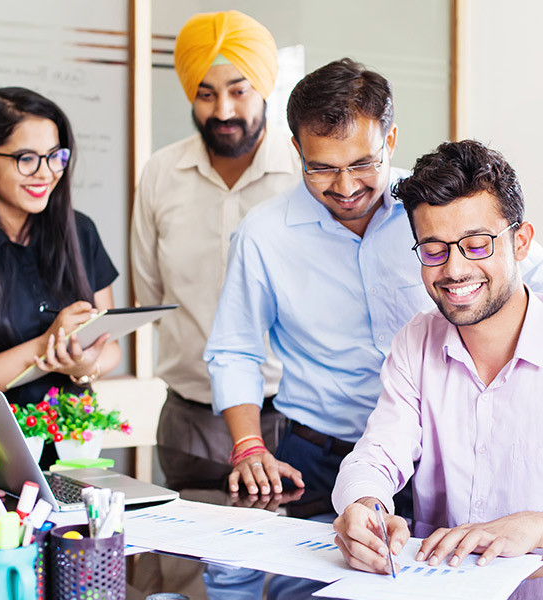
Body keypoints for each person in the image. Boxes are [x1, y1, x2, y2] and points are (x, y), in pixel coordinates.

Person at [204, 58, 543, 501]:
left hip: (442, 452)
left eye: (363, 163)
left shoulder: (434, 209)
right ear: (297, 150)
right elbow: (235, 350)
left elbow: (517, 274)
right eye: (322, 168)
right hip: (317, 454)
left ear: (391, 139)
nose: (345, 187)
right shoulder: (264, 235)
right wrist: (249, 446)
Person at [333, 140, 543, 578]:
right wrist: (363, 505)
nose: (454, 269)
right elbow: (377, 455)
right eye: (434, 249)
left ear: (521, 242)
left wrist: (536, 528)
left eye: (478, 244)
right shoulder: (417, 340)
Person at [130, 10, 299, 480]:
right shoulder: (161, 173)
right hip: (188, 419)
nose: (223, 110)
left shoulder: (305, 175)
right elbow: (151, 289)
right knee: (176, 557)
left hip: (292, 419)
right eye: (206, 94)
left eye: (238, 90)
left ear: (264, 86)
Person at [0, 87, 121, 462]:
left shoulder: (81, 231)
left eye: (55, 156)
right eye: (26, 158)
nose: (46, 173)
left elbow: (110, 345)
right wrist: (45, 347)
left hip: (72, 453)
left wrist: (84, 367)